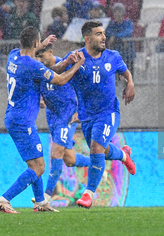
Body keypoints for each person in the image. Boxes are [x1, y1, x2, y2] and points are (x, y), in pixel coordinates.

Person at [0, 26, 85, 213]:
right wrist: (76, 65)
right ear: (36, 43)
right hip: (22, 121)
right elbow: (59, 79)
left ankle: (41, 202)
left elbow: (36, 62)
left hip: (13, 116)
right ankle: (4, 200)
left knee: (34, 164)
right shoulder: (33, 65)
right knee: (39, 167)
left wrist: (40, 44)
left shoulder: (13, 56)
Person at [62, 20, 136, 209]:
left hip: (109, 112)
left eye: (103, 33)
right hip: (87, 116)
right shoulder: (77, 57)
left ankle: (88, 194)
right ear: (87, 39)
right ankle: (123, 155)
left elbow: (126, 73)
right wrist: (68, 63)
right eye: (98, 34)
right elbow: (56, 75)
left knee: (96, 148)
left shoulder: (113, 56)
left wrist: (130, 83)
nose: (103, 37)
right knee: (101, 150)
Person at [35, 44, 91, 204]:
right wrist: (41, 99)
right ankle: (97, 164)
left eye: (42, 56)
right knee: (70, 160)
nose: (39, 59)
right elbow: (42, 87)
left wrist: (81, 110)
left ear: (51, 52)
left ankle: (46, 196)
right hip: (52, 116)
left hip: (67, 115)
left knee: (56, 153)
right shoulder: (41, 69)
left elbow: (83, 88)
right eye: (37, 57)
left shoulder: (64, 65)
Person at [106, 3, 136, 80]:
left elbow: (128, 33)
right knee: (117, 78)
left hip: (128, 54)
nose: (117, 14)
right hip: (117, 55)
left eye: (119, 11)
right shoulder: (112, 24)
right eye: (115, 11)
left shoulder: (128, 23)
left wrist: (116, 37)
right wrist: (115, 37)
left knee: (128, 77)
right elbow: (108, 32)